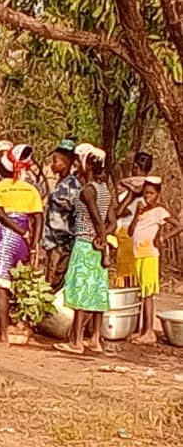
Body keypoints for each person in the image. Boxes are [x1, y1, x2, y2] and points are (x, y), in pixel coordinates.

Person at [56, 144, 115, 355]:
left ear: (86, 164)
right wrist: (103, 242)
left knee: (80, 291)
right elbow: (111, 223)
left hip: (85, 244)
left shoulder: (87, 190)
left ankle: (76, 341)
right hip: (98, 246)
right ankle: (95, 339)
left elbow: (97, 220)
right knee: (97, 292)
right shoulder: (105, 190)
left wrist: (98, 239)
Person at [0, 145, 43, 344]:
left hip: (5, 236)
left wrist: (19, 231)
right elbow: (38, 218)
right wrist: (33, 243)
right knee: (8, 284)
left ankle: (2, 334)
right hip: (24, 240)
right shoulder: (31, 190)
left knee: (0, 286)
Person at [128, 177, 182, 345]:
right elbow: (130, 232)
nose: (147, 197)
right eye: (145, 194)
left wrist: (164, 237)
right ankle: (142, 330)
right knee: (142, 293)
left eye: (151, 194)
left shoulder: (160, 211)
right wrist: (136, 215)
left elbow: (179, 225)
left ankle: (149, 331)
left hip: (150, 254)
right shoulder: (141, 211)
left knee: (148, 294)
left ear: (157, 194)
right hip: (138, 255)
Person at [42, 139, 81, 292]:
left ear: (65, 162)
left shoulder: (72, 186)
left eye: (55, 161)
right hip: (53, 241)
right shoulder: (60, 182)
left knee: (55, 281)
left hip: (62, 242)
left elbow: (76, 213)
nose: (53, 165)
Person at [115, 151, 153, 288]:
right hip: (143, 238)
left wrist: (130, 194)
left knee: (127, 277)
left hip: (128, 236)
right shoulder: (151, 192)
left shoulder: (131, 191)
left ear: (135, 167)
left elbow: (118, 211)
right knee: (139, 278)